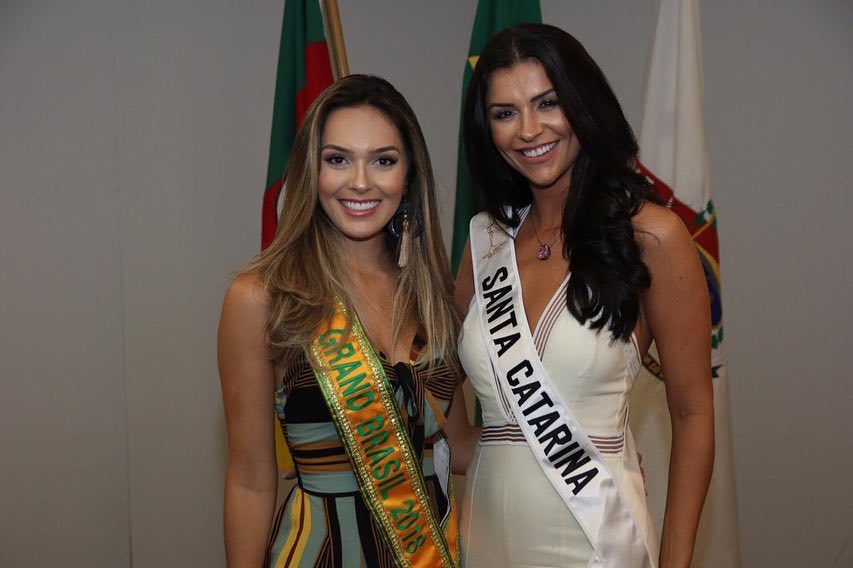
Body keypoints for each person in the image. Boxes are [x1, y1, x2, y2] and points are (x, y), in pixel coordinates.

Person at [454, 24, 714, 568]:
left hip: (597, 542)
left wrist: (676, 559)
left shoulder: (652, 236)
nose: (529, 130)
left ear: (583, 103)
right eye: (505, 113)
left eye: (547, 103)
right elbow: (444, 384)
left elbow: (692, 414)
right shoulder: (484, 242)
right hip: (483, 538)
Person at [218, 74, 466, 567]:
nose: (360, 181)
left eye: (383, 160)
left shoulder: (432, 294)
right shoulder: (261, 298)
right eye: (338, 159)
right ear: (312, 172)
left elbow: (458, 446)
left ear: (408, 175)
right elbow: (250, 478)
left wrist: (586, 447)